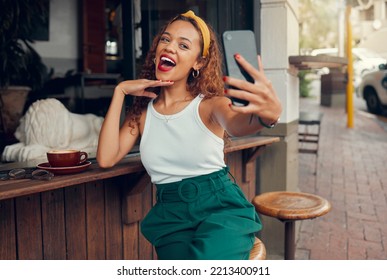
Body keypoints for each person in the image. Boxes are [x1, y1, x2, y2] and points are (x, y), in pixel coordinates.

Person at [97, 10, 282, 260]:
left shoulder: (210, 105)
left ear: (199, 62)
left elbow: (239, 123)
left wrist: (267, 116)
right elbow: (106, 158)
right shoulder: (141, 113)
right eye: (166, 39)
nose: (170, 47)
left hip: (220, 209)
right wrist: (119, 92)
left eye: (183, 45)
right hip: (170, 217)